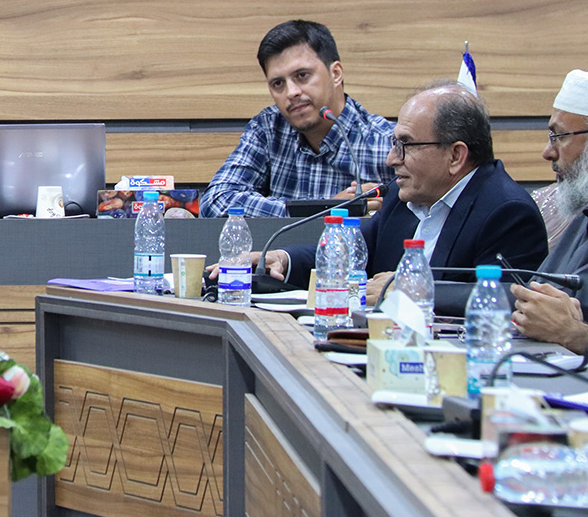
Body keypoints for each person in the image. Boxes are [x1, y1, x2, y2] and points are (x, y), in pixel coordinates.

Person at [258, 82, 547, 316]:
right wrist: (283, 259)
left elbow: (509, 300)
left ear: (456, 156)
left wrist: (412, 290)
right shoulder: (404, 195)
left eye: (405, 144)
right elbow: (355, 253)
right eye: (394, 143)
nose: (391, 159)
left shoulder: (507, 212)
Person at [200, 19, 395, 218]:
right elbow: (216, 200)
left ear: (336, 74)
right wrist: (326, 209)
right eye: (278, 83)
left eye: (302, 75)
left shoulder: (387, 143)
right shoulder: (269, 129)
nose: (291, 92)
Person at [511, 70, 588, 353]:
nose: (547, 152)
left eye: (558, 136)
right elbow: (533, 296)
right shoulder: (582, 217)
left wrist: (575, 335)